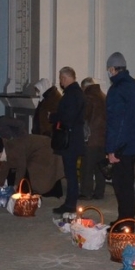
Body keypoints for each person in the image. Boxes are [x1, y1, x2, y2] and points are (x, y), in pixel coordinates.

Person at [105, 52, 135, 226]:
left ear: (113, 69)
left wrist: (111, 149)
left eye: (109, 69)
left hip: (121, 146)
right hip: (134, 143)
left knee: (121, 186)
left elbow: (116, 122)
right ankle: (126, 219)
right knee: (127, 184)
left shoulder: (117, 90)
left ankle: (126, 222)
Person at [51, 67, 85, 214]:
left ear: (65, 78)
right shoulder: (77, 93)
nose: (60, 82)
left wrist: (53, 117)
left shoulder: (72, 95)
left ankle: (70, 205)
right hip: (74, 138)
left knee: (70, 174)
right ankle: (70, 203)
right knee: (71, 174)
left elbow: (68, 117)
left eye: (60, 78)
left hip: (70, 140)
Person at [0, 135, 64, 195]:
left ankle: (41, 190)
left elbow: (21, 167)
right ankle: (38, 189)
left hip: (44, 149)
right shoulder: (7, 149)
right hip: (38, 150)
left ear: (2, 150)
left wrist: (16, 185)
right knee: (34, 172)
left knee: (37, 172)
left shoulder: (14, 148)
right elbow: (5, 167)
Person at [80, 77, 106, 200]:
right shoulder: (104, 97)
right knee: (99, 167)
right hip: (103, 138)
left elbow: (84, 116)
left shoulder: (88, 98)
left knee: (87, 167)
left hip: (91, 139)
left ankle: (86, 192)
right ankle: (99, 192)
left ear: (85, 87)